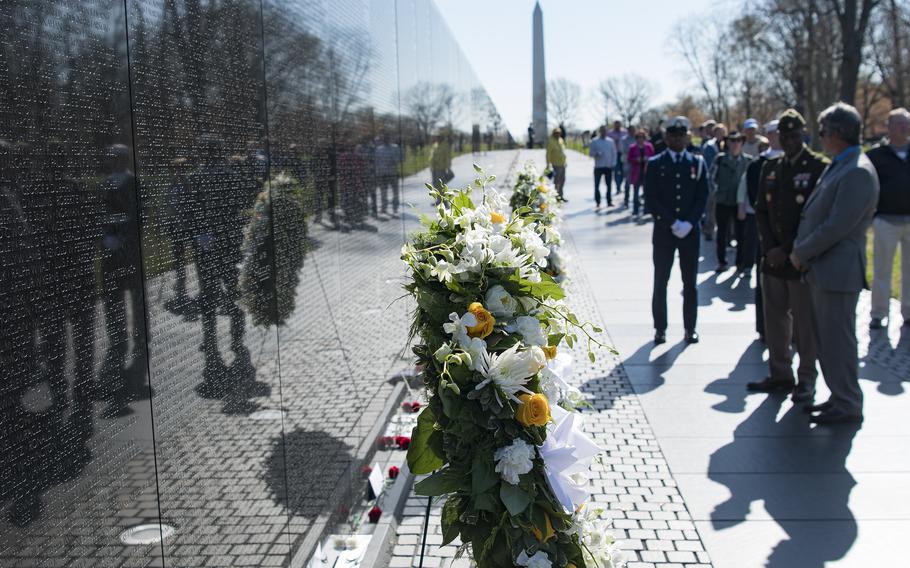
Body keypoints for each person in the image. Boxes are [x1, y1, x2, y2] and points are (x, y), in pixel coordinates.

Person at [790, 102, 879, 424]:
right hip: (824, 270)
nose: (821, 137)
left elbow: (838, 226)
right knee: (827, 341)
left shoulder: (856, 170)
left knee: (838, 340)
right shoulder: (841, 164)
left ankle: (848, 403)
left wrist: (802, 251)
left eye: (824, 131)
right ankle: (839, 397)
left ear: (838, 134)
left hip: (837, 271)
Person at [747, 110, 827, 402]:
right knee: (775, 320)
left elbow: (815, 216)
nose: (790, 141)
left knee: (805, 325)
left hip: (799, 260)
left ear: (804, 135)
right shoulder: (771, 168)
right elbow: (762, 211)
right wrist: (770, 249)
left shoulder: (818, 167)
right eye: (785, 136)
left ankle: (806, 379)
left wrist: (789, 249)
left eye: (795, 135)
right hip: (772, 259)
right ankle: (780, 373)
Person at [645, 116, 709, 345]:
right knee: (661, 281)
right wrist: (672, 222)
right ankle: (660, 328)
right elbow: (651, 199)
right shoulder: (655, 163)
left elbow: (703, 196)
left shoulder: (697, 163)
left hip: (690, 232)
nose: (678, 140)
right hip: (664, 231)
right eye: (673, 136)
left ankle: (690, 328)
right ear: (666, 137)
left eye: (682, 136)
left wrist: (690, 222)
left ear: (688, 137)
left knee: (689, 283)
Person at [739, 120, 784, 337]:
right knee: (763, 279)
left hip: (791, 235)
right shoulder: (758, 165)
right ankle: (764, 327)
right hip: (765, 232)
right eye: (773, 133)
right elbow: (755, 199)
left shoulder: (796, 163)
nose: (777, 136)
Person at [867, 107, 910, 329]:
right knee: (882, 270)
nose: (904, 127)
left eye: (907, 123)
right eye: (899, 123)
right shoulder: (876, 155)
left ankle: (908, 311)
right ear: (890, 127)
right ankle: (879, 312)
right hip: (886, 220)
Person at [710, 131, 751, 272]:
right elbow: (711, 178)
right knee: (721, 233)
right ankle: (722, 262)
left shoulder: (748, 161)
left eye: (738, 140)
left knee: (741, 234)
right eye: (732, 141)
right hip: (723, 201)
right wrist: (717, 192)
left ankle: (740, 263)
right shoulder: (720, 159)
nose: (735, 144)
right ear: (727, 143)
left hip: (740, 204)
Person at [735, 134, 771, 278]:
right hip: (752, 210)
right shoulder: (754, 165)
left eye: (765, 147)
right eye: (761, 147)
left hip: (769, 211)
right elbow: (743, 187)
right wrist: (741, 205)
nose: (763, 150)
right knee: (751, 239)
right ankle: (748, 264)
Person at [701, 123, 727, 241]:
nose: (721, 135)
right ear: (714, 133)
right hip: (712, 180)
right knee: (710, 208)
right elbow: (706, 165)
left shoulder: (728, 144)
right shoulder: (709, 146)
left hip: (725, 181)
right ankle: (708, 230)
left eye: (723, 132)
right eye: (719, 132)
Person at [627, 129, 655, 218]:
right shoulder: (632, 147)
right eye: (638, 138)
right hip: (636, 172)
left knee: (647, 192)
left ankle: (647, 209)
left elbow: (653, 158)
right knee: (636, 192)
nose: (640, 139)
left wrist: (648, 158)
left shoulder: (649, 146)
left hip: (647, 172)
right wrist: (636, 159)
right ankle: (635, 210)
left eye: (642, 137)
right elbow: (629, 159)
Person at [589, 125, 617, 208]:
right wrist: (596, 154)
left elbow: (614, 153)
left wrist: (613, 163)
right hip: (598, 166)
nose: (604, 132)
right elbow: (590, 153)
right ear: (600, 131)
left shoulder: (610, 141)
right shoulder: (594, 141)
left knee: (609, 185)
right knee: (597, 185)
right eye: (602, 131)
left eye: (605, 131)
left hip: (608, 166)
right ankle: (598, 202)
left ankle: (609, 201)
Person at [375, 134, 403, 215]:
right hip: (382, 174)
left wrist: (394, 160)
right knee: (383, 192)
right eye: (385, 138)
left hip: (393, 173)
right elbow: (376, 162)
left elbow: (400, 159)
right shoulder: (378, 149)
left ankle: (395, 208)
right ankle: (384, 208)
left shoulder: (395, 148)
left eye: (387, 138)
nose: (386, 140)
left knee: (395, 191)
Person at [546, 127, 568, 202]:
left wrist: (565, 161)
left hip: (562, 164)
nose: (558, 134)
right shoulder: (551, 141)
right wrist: (548, 164)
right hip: (556, 164)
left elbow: (563, 151)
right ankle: (556, 197)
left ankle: (561, 195)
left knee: (562, 180)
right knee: (557, 181)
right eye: (556, 133)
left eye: (559, 133)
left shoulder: (561, 140)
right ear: (554, 133)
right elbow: (548, 154)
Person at [607, 120, 626, 196]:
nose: (617, 126)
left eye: (619, 125)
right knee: (616, 171)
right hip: (614, 154)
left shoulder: (625, 132)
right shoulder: (610, 133)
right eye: (616, 125)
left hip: (623, 153)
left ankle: (621, 185)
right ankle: (618, 187)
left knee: (623, 171)